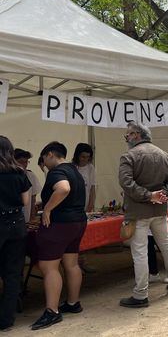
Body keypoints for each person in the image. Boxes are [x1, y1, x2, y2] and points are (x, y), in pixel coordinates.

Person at [118, 122, 168, 308]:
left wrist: (149, 196)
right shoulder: (164, 154)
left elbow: (126, 183)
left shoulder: (129, 156)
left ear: (136, 135)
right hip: (160, 210)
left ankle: (140, 294)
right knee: (166, 245)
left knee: (140, 252)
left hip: (138, 211)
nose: (127, 138)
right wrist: (163, 194)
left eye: (128, 135)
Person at [31, 141, 88, 330]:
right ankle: (73, 303)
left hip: (60, 224)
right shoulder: (75, 171)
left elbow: (63, 189)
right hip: (78, 222)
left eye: (44, 160)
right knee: (71, 264)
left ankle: (52, 311)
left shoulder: (57, 172)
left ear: (50, 155)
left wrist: (47, 209)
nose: (44, 164)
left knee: (49, 266)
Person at [0, 136, 31, 331]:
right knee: (12, 275)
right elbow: (26, 201)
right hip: (16, 225)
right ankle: (6, 319)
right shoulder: (20, 173)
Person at [14, 148, 42, 221]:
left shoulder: (31, 175)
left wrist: (32, 218)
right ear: (13, 162)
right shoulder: (8, 176)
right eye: (21, 162)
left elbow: (33, 199)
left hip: (25, 216)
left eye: (26, 162)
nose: (24, 165)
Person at [71, 143, 96, 212]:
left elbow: (92, 189)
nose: (85, 159)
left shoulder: (90, 168)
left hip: (86, 205)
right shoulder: (71, 167)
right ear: (77, 156)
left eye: (88, 157)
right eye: (83, 157)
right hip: (73, 206)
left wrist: (90, 206)